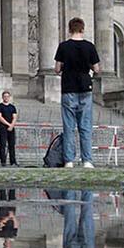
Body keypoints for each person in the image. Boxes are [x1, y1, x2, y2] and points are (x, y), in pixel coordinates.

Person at [53, 16, 101, 168]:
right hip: (85, 88)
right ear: (82, 29)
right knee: (85, 126)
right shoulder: (89, 46)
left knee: (69, 126)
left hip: (68, 88)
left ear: (69, 29)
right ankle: (87, 160)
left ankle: (69, 161)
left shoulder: (63, 46)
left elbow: (57, 68)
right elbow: (97, 68)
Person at [0, 89, 19, 166]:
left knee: (12, 145)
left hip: (11, 128)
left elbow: (15, 117)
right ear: (2, 97)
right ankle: (3, 162)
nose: (6, 98)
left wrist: (12, 125)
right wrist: (8, 124)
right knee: (3, 145)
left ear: (9, 97)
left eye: (7, 96)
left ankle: (13, 161)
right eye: (5, 96)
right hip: (2, 127)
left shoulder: (12, 107)